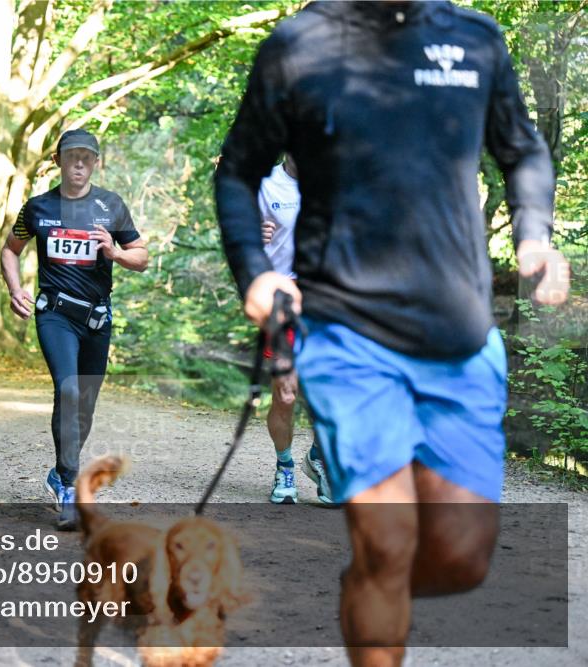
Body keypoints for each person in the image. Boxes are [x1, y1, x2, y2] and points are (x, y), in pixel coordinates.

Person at [214, 2, 570, 666]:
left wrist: (535, 234)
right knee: (387, 540)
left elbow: (521, 148)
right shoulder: (301, 45)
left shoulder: (474, 39)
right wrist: (256, 273)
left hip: (458, 335)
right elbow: (238, 170)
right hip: (346, 332)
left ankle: (367, 581)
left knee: (461, 559)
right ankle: (376, 576)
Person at [0, 128, 148, 530]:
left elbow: (142, 256)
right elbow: (10, 249)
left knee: (84, 406)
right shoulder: (38, 208)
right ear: (58, 162)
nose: (79, 163)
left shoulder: (111, 206)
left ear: (96, 163)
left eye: (87, 157)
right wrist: (15, 288)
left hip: (97, 319)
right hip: (55, 315)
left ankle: (59, 468)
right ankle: (68, 486)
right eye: (71, 157)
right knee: (67, 389)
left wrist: (116, 253)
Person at [258, 154, 333, 506]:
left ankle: (318, 456)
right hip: (281, 297)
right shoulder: (265, 183)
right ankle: (285, 465)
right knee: (286, 394)